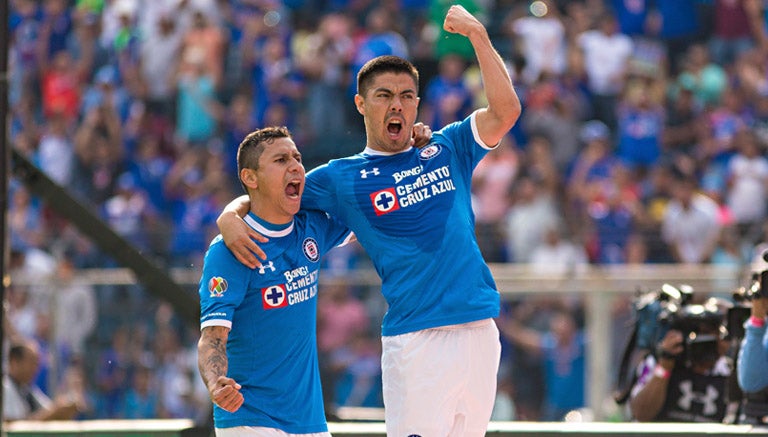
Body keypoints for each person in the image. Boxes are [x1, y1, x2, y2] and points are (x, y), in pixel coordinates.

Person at [217, 6, 521, 436]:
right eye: (383, 96)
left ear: (418, 102)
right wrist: (229, 214)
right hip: (417, 339)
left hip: (480, 331)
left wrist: (476, 34)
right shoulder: (342, 177)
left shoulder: (448, 146)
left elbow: (506, 111)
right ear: (361, 103)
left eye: (406, 96)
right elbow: (275, 191)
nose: (396, 105)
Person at [196, 126, 353, 436]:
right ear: (250, 178)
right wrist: (216, 383)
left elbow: (366, 200)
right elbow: (212, 336)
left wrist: (409, 148)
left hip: (309, 422)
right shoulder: (230, 250)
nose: (296, 165)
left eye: (297, 157)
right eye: (281, 160)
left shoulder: (312, 227)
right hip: (250, 419)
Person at [628, 299, 733, 422]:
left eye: (709, 333)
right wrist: (664, 367)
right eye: (697, 333)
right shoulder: (655, 362)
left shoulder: (729, 371)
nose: (702, 341)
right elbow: (640, 413)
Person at [2, 339, 83, 421]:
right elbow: (11, 424)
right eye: (31, 362)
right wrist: (54, 412)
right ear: (14, 362)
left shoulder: (27, 389)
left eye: (37, 364)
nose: (35, 369)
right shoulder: (5, 387)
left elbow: (47, 409)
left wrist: (63, 408)